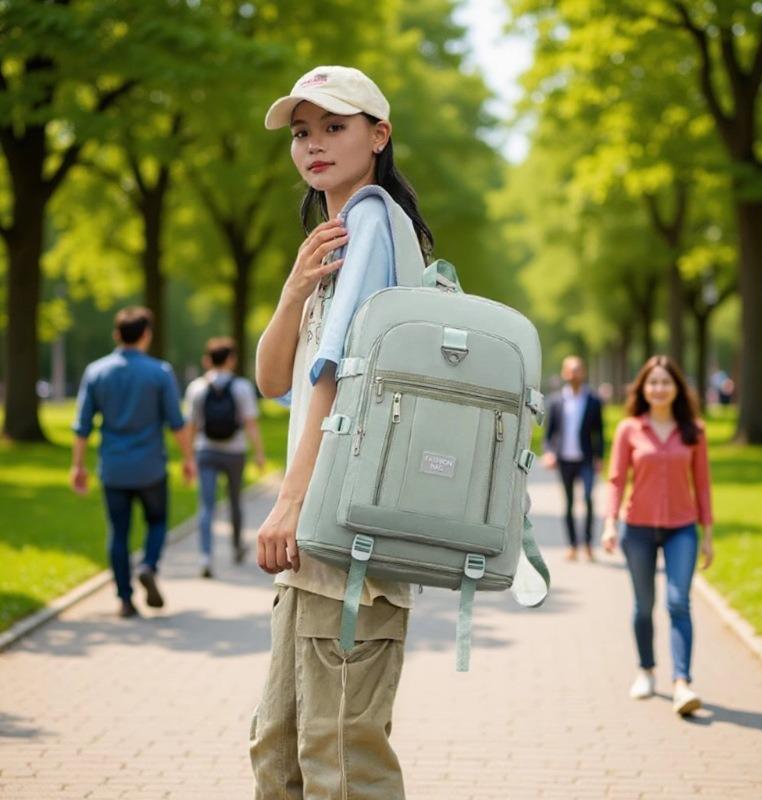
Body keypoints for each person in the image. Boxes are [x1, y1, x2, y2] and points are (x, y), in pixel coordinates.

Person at [249, 65, 434, 799]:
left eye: (335, 126)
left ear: (379, 135)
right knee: (282, 752)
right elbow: (273, 379)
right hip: (318, 547)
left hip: (349, 534)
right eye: (301, 132)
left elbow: (338, 376)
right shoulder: (334, 238)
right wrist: (295, 289)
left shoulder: (371, 218)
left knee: (341, 766)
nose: (313, 145)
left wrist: (291, 498)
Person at [601, 355, 714, 716]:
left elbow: (703, 486)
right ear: (643, 388)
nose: (659, 388)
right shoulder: (629, 429)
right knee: (643, 605)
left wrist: (707, 534)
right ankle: (646, 671)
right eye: (653, 382)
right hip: (638, 529)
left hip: (682, 528)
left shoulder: (693, 430)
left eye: (666, 382)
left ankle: (682, 683)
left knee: (679, 602)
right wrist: (609, 523)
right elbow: (617, 479)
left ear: (677, 388)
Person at [70, 307, 196, 618]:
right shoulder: (160, 372)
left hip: (113, 468)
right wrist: (188, 458)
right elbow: (176, 423)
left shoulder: (96, 372)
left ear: (116, 335)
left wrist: (78, 466)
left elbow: (82, 425)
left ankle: (125, 600)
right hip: (151, 467)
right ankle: (149, 565)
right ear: (146, 335)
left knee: (118, 532)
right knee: (157, 522)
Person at [184, 337, 265, 577]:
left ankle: (205, 557)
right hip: (234, 451)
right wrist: (259, 452)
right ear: (231, 359)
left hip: (205, 450)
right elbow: (250, 423)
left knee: (206, 506)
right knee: (234, 501)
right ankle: (237, 546)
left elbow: (191, 425)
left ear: (207, 360)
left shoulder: (196, 388)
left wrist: (188, 456)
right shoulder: (241, 387)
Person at [542, 356, 605, 561]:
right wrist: (549, 453)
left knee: (587, 498)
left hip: (586, 459)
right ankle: (572, 545)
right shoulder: (556, 401)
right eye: (570, 370)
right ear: (564, 373)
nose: (574, 374)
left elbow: (599, 432)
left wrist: (600, 457)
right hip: (564, 459)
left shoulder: (594, 400)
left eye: (578, 369)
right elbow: (549, 434)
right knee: (568, 503)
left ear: (584, 373)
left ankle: (587, 543)